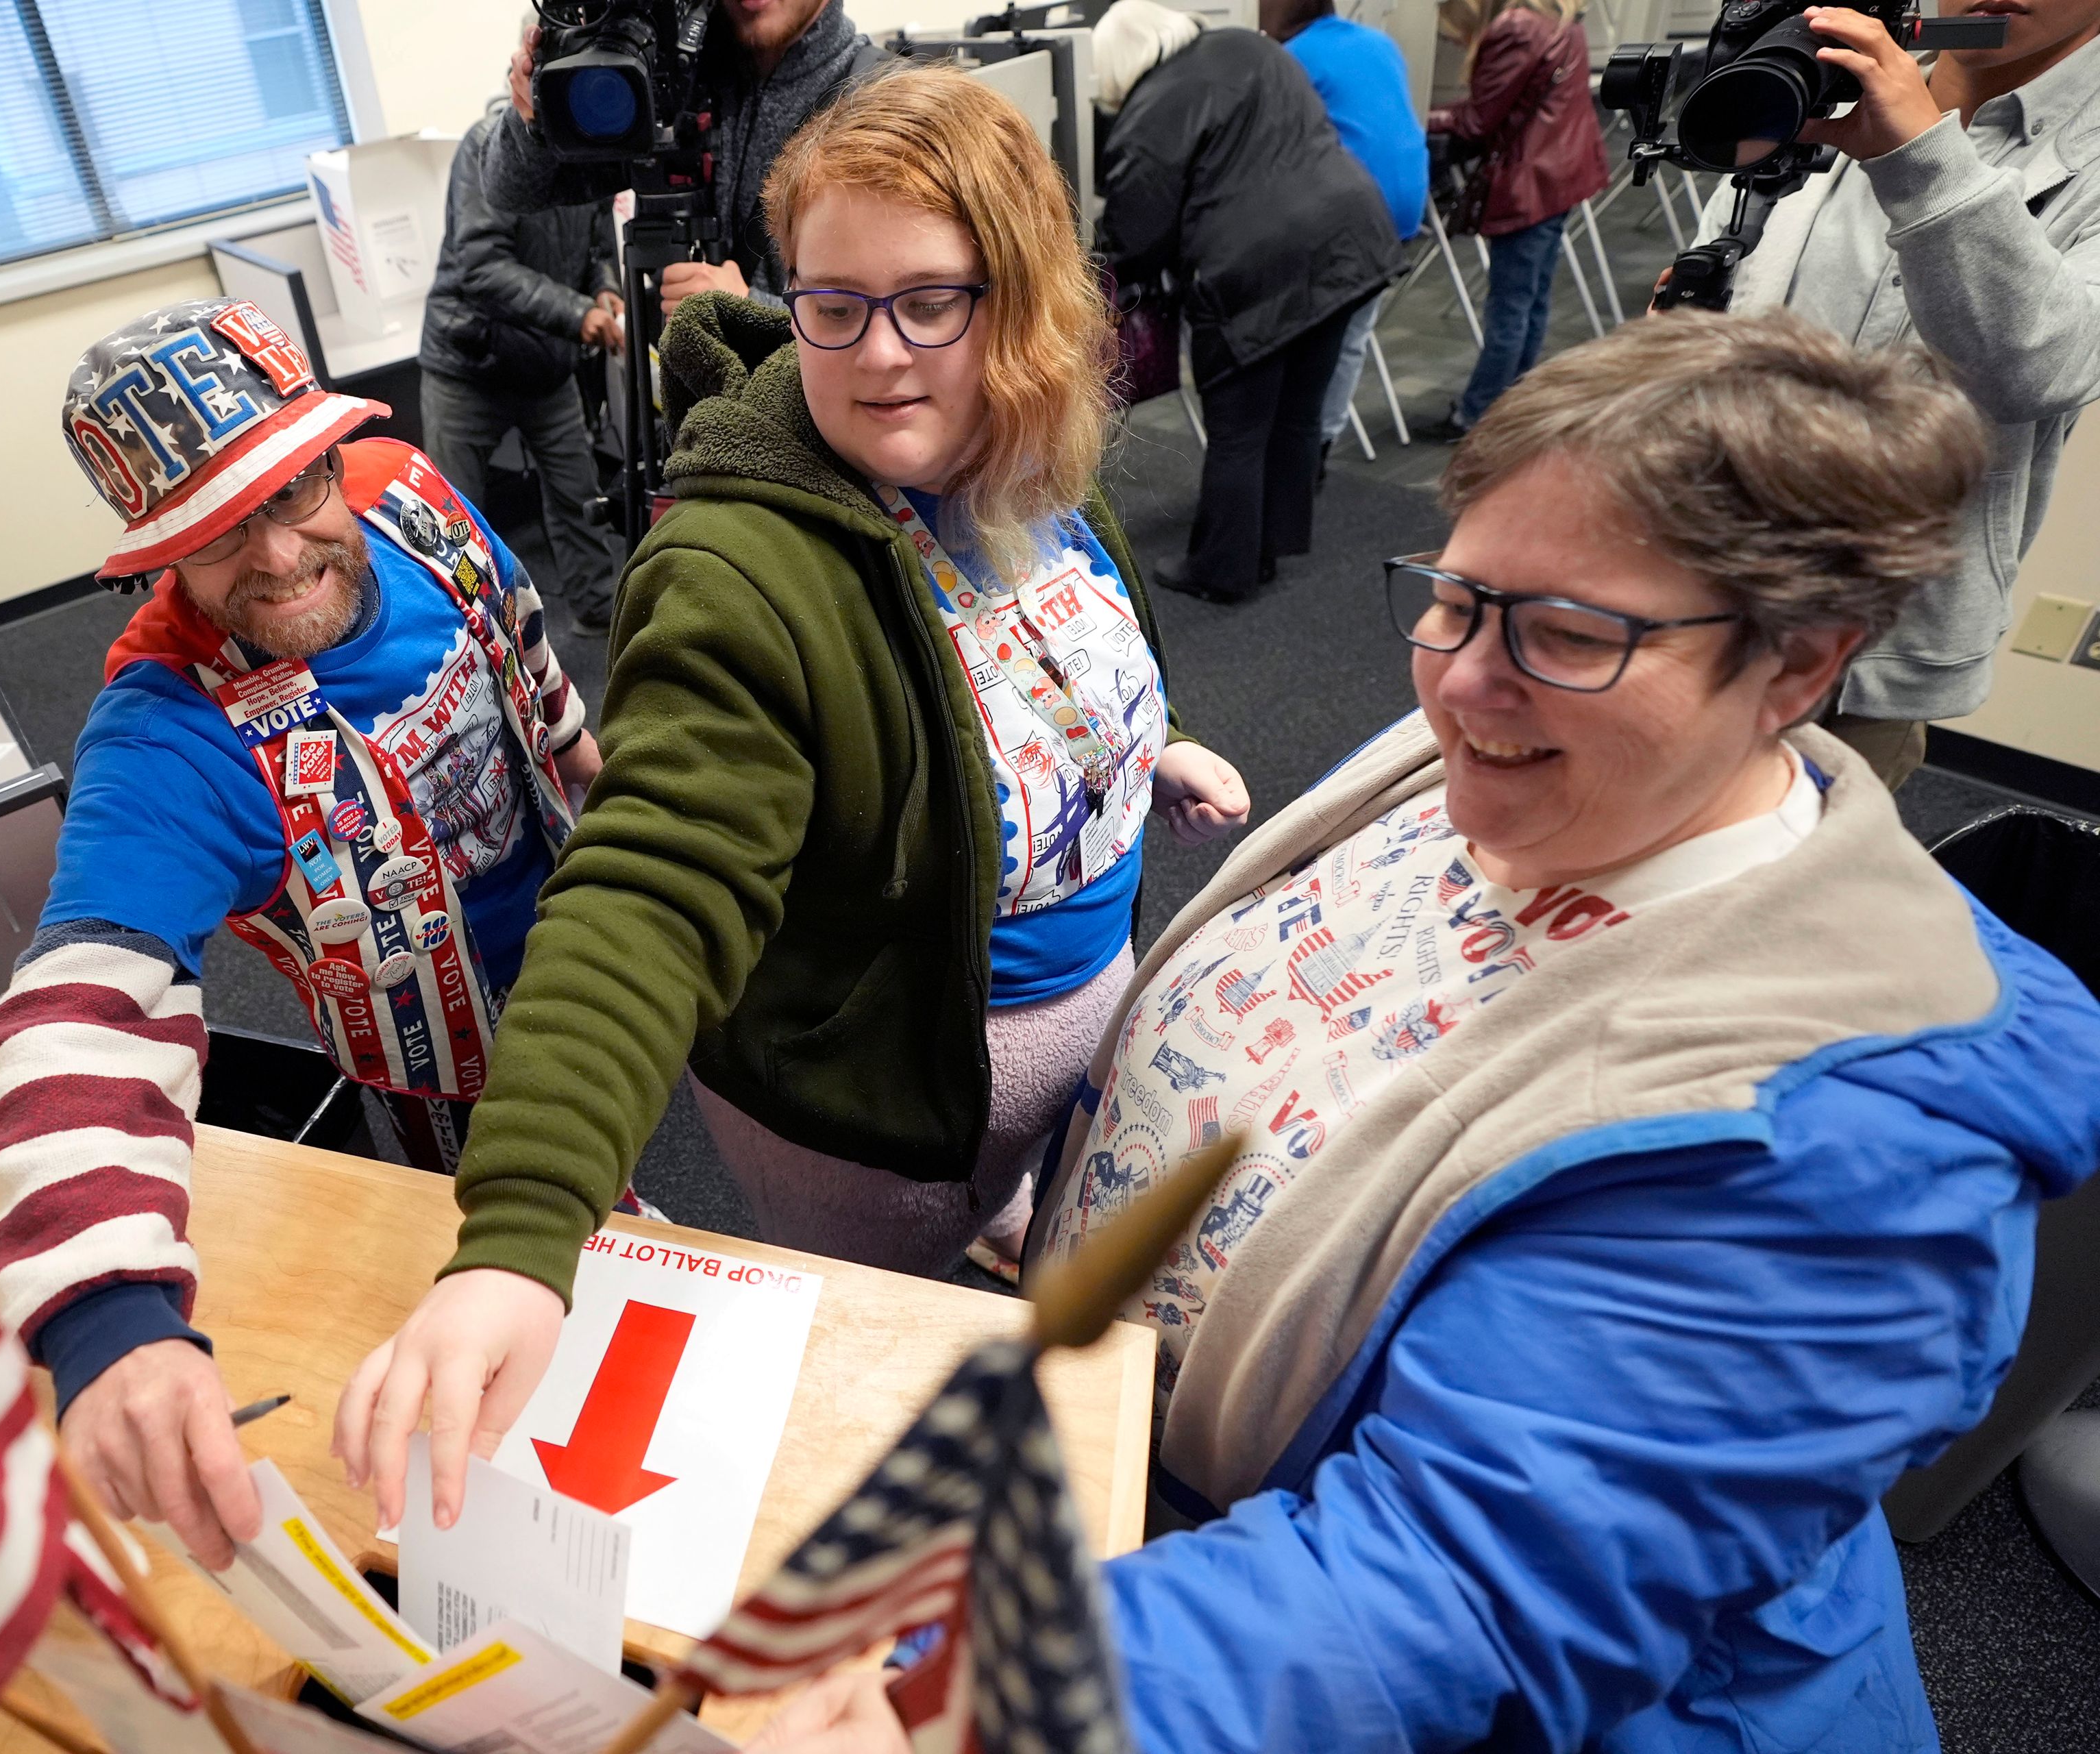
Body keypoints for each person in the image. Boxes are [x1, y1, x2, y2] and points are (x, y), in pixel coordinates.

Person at [753, 312, 2100, 1753]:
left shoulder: (1838, 1157)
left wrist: (970, 1693)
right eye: (1453, 597)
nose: (1460, 680)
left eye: (1570, 631)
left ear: (1799, 666)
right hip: (1164, 1503)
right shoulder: (1523, 765)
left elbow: (1447, 1581)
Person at [336, 64, 1252, 1531]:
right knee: (886, 1371)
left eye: (928, 301)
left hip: (1054, 1047)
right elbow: (647, 886)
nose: (878, 354)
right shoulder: (734, 577)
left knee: (1026, 1233)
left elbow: (1049, 650)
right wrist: (519, 1239)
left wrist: (1153, 739)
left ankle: (1008, 1211)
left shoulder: (1027, 457)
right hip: (876, 1113)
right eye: (832, 301)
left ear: (1017, 302)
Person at [0, 297, 601, 1568]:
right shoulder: (166, 731)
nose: (273, 554)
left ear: (332, 454)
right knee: (553, 1321)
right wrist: (108, 1320)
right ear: (160, 556)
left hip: (595, 939)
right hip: (451, 1078)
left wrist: (585, 769)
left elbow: (521, 648)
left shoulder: (409, 495)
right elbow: (76, 1014)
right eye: (211, 533)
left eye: (293, 487)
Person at [1703, 0, 2100, 789]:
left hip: (1870, 644)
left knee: (1784, 898)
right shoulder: (1820, 84)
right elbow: (1724, 282)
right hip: (1698, 578)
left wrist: (1921, 154)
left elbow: (2041, 366)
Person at [1094, 0, 1403, 603]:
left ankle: (1222, 570)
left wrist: (1095, 275)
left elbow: (1136, 238)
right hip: (1348, 241)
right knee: (1296, 413)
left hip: (1251, 273)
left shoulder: (1149, 111)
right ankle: (1270, 546)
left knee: (1238, 430)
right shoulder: (1251, 47)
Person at [486, 0, 885, 314]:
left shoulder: (884, 100)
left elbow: (900, 322)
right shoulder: (677, 81)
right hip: (691, 409)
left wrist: (752, 313)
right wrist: (534, 119)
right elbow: (511, 191)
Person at [421, 96, 627, 639]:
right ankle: (461, 641)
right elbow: (481, 265)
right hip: (469, 364)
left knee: (580, 498)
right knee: (452, 521)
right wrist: (577, 312)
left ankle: (599, 610)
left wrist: (605, 290)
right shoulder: (489, 146)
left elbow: (598, 249)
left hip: (546, 366)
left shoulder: (593, 155)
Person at [1426, 0, 1609, 439]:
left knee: (1509, 309)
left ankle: (1478, 416)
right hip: (1560, 172)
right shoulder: (1559, 15)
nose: (1451, 37)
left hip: (1531, 180)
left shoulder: (1516, 27)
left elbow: (1477, 120)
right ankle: (1511, 407)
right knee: (1532, 300)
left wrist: (1415, 116)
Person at [1255, 0, 1429, 456]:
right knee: (1351, 335)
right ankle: (1321, 445)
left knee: (1293, 343)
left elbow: (1265, 161)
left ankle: (1304, 450)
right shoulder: (1379, 43)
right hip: (1401, 214)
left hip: (1348, 225)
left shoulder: (1292, 59)